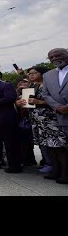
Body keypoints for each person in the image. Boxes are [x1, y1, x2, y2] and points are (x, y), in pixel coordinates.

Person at [41, 48, 68, 184]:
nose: (54, 59)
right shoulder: (48, 75)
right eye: (51, 57)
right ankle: (62, 172)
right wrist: (57, 107)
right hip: (58, 115)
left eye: (58, 55)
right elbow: (45, 94)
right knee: (61, 147)